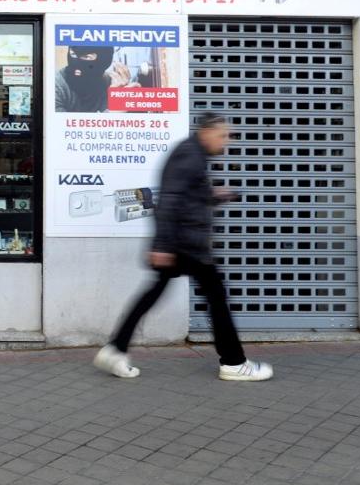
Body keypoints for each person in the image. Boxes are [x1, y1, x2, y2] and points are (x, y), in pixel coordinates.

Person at [95, 112, 274, 382]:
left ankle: (116, 349)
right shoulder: (190, 156)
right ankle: (234, 362)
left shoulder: (193, 154)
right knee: (216, 299)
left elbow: (186, 196)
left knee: (154, 294)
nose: (226, 142)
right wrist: (163, 246)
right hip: (186, 245)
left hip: (182, 243)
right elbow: (169, 199)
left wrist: (214, 195)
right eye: (223, 135)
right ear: (207, 132)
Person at [54, 45, 132, 113]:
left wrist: (122, 95)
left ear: (104, 60)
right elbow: (59, 127)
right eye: (73, 54)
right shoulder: (55, 86)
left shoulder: (112, 84)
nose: (76, 62)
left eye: (87, 57)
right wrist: (113, 112)